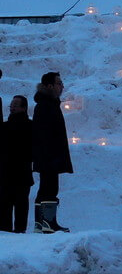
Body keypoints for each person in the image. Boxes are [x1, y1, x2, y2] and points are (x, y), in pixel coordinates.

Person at [32, 72, 73, 233]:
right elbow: (44, 133)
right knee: (50, 187)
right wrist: (51, 156)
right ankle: (48, 223)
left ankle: (40, 223)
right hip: (49, 156)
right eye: (59, 83)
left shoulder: (48, 104)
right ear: (49, 86)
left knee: (45, 187)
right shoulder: (46, 106)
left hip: (47, 155)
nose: (62, 86)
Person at [0, 96, 34, 233]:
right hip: (20, 173)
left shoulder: (6, 127)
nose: (12, 107)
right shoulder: (30, 126)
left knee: (8, 206)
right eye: (11, 105)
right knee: (19, 206)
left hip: (11, 172)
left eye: (15, 105)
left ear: (23, 107)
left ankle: (7, 233)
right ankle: (18, 233)